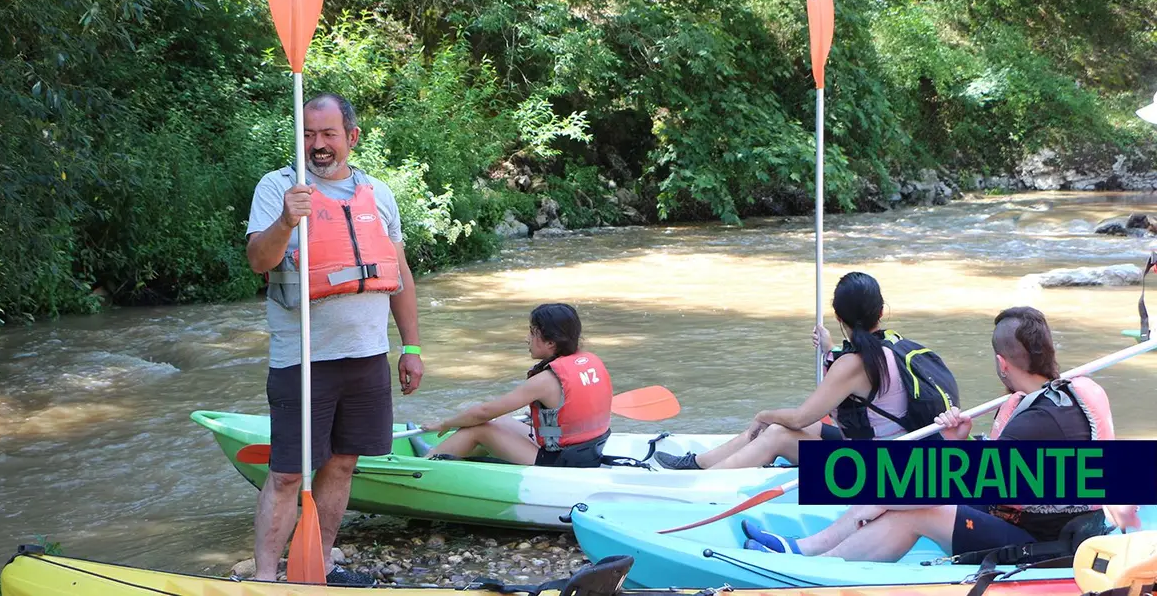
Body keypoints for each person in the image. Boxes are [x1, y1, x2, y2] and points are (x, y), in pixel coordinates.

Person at [741, 306, 1140, 562]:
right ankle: (806, 550)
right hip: (1029, 516)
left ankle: (813, 563)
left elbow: (985, 487)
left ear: (1003, 363)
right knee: (900, 480)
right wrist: (959, 445)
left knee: (916, 500)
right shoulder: (1060, 397)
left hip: (1038, 540)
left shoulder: (1034, 421)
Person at [245, 92, 424, 585]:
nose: (317, 145)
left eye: (327, 134)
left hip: (366, 355)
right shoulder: (277, 188)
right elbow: (259, 262)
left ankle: (318, 561)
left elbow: (400, 275)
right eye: (307, 134)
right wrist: (286, 220)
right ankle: (264, 576)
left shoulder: (379, 194)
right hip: (302, 358)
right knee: (286, 473)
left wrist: (411, 347)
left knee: (343, 464)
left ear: (351, 137)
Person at [655, 272, 955, 470]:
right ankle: (700, 463)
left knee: (777, 434)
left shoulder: (853, 364)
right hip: (902, 455)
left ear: (838, 316)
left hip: (881, 471)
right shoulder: (893, 343)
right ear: (881, 311)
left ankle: (701, 483)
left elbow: (800, 417)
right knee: (802, 430)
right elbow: (862, 388)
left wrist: (763, 414)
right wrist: (829, 351)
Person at [417, 303, 614, 467]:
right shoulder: (590, 361)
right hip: (587, 452)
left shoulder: (544, 381)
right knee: (499, 421)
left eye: (532, 332)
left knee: (480, 427)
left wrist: (446, 423)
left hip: (559, 462)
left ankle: (426, 464)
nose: (526, 339)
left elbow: (483, 412)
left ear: (551, 343)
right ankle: (448, 455)